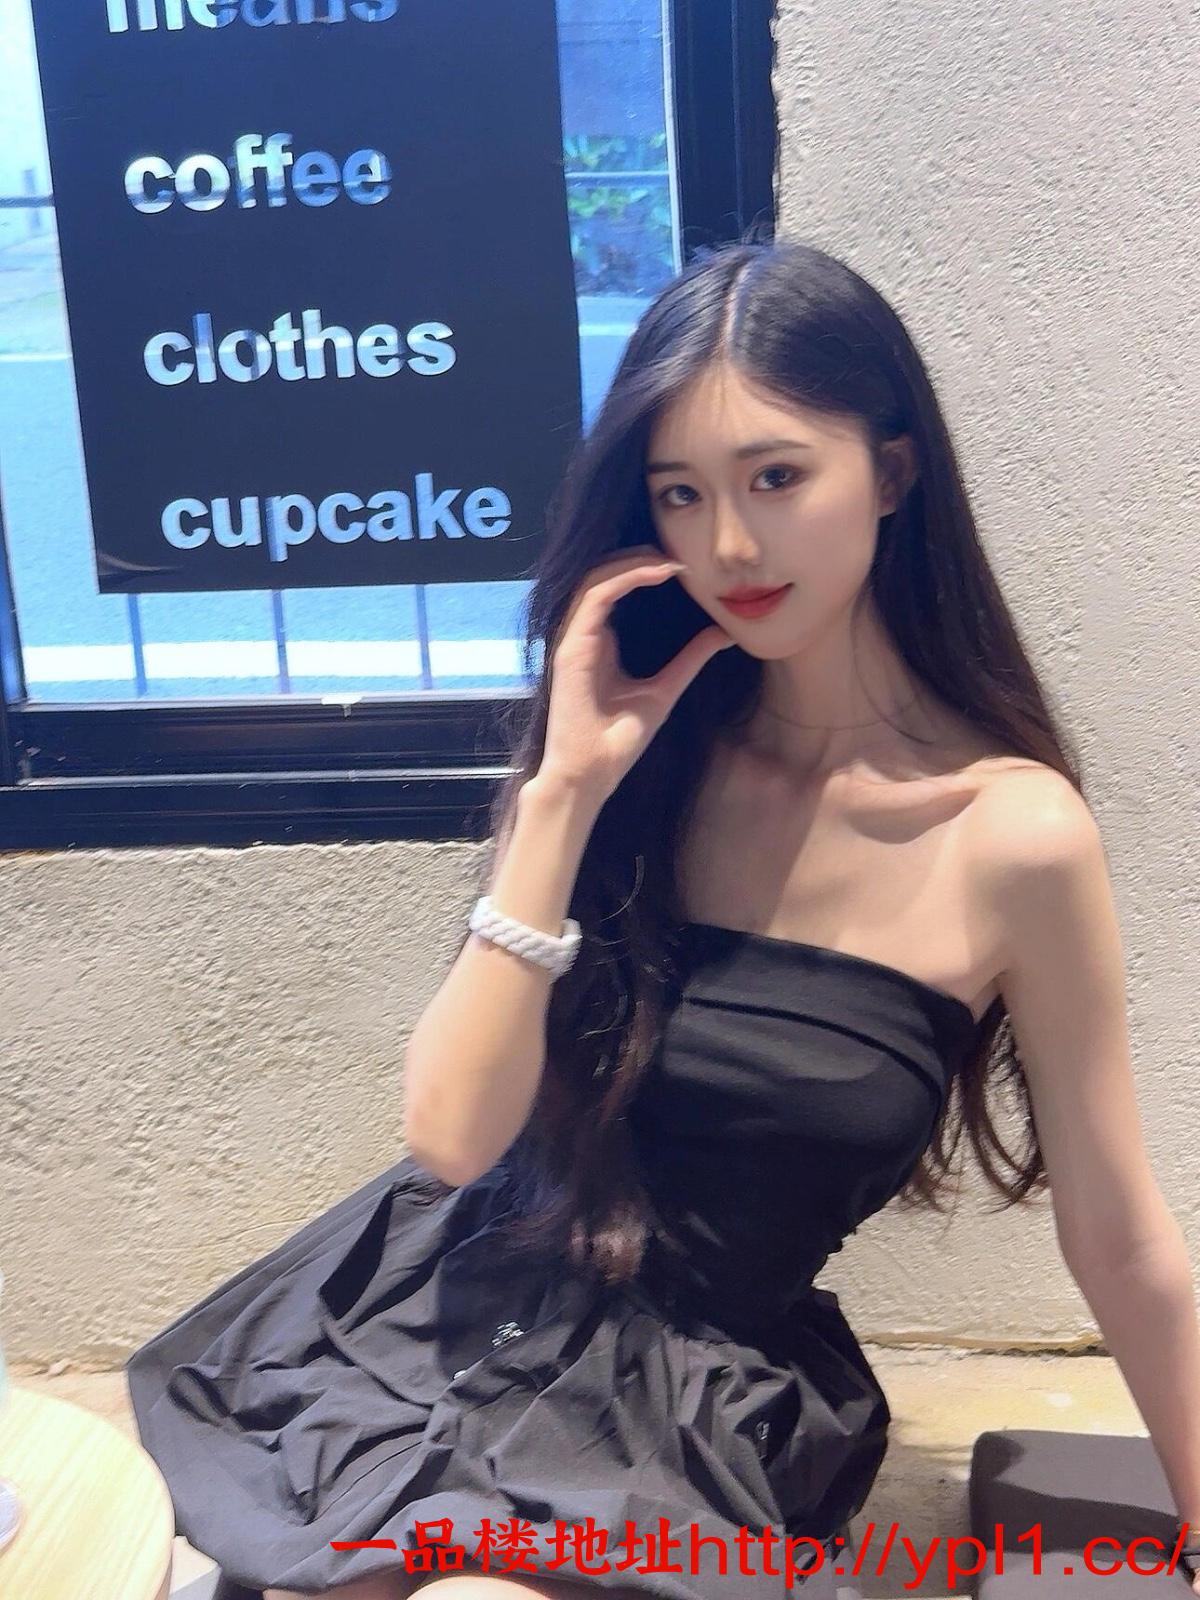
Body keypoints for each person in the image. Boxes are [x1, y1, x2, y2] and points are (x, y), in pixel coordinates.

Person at [125, 236, 1200, 1600]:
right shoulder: (638, 760)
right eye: (680, 493)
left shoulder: (1014, 836)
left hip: (681, 1399)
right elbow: (451, 1140)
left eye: (776, 477)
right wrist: (564, 794)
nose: (729, 544)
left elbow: (1119, 1233)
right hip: (441, 1311)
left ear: (893, 472)